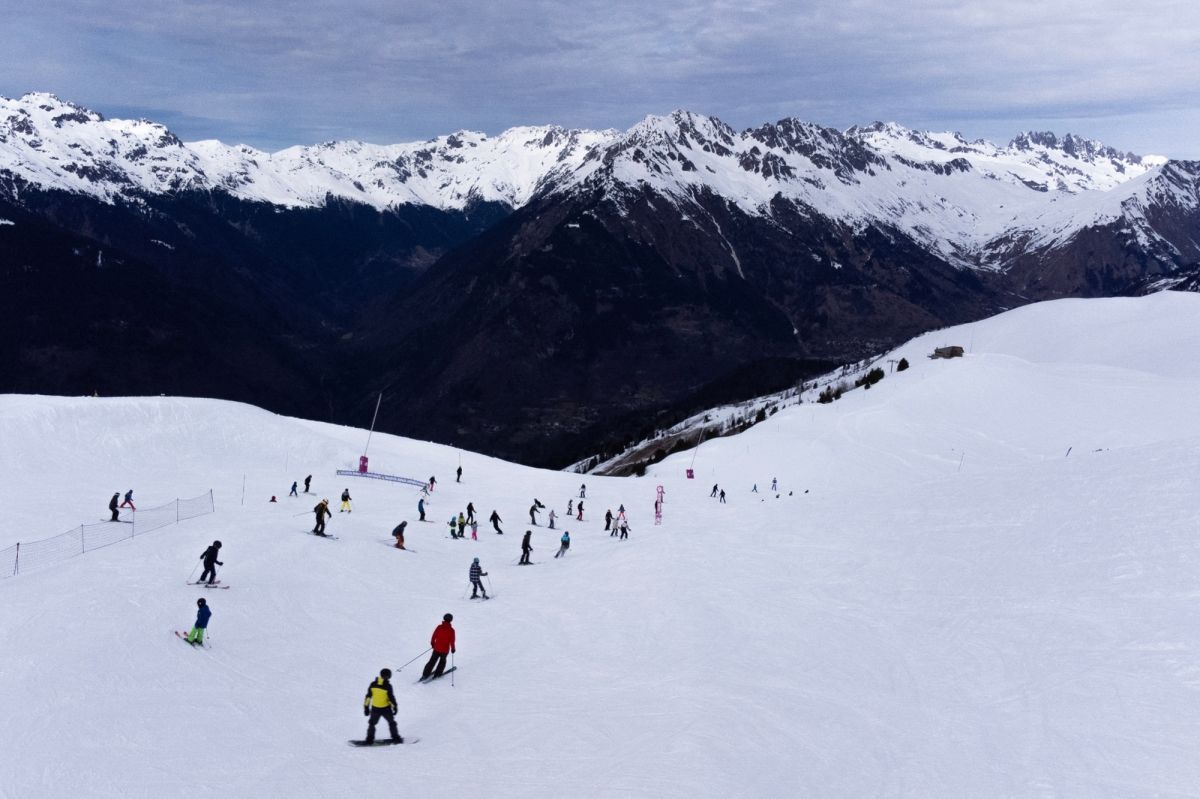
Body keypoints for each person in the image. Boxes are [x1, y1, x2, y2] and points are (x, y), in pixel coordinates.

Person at [362, 668, 402, 744]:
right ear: (388, 676)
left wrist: (366, 708)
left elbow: (368, 697)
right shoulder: (388, 686)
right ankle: (396, 738)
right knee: (392, 723)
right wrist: (395, 707)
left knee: (372, 724)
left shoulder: (373, 684)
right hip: (386, 709)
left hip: (375, 709)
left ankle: (369, 740)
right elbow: (391, 698)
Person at [422, 614, 456, 679]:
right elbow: (452, 641)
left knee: (432, 661)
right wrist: (453, 649)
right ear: (451, 620)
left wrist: (432, 643)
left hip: (436, 648)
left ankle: (425, 674)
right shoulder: (452, 630)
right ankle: (437, 674)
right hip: (444, 650)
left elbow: (434, 636)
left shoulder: (439, 627)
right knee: (442, 662)